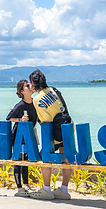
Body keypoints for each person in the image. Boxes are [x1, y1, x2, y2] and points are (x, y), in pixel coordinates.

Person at [28, 69, 73, 201]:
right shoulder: (54, 90)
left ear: (34, 83)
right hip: (68, 127)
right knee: (67, 158)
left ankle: (47, 189)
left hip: (55, 133)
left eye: (30, 83)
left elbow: (45, 121)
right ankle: (64, 189)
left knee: (44, 157)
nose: (30, 86)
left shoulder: (37, 99)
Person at [6, 79, 38, 197]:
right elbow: (9, 118)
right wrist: (20, 120)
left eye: (30, 85)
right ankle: (19, 187)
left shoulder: (35, 103)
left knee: (26, 161)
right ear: (21, 91)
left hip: (29, 135)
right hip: (18, 136)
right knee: (18, 161)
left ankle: (26, 185)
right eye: (27, 86)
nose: (30, 87)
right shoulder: (20, 105)